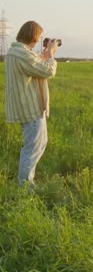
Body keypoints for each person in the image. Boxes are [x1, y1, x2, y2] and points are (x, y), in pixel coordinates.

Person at [5, 20, 59, 189]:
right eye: (39, 37)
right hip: (31, 109)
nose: (40, 40)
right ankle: (25, 188)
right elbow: (47, 70)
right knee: (32, 149)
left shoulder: (17, 52)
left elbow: (35, 65)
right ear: (33, 36)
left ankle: (27, 183)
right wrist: (50, 53)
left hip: (29, 107)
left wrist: (44, 55)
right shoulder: (21, 54)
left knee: (37, 145)